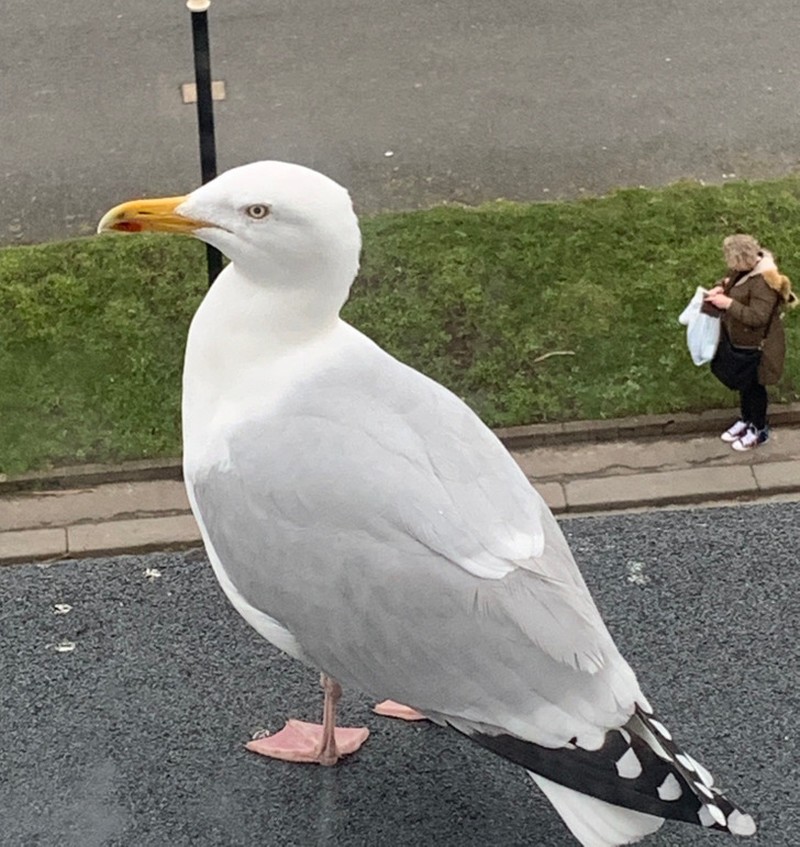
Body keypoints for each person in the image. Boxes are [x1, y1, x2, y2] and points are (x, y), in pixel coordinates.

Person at [704, 233, 796, 450]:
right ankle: (747, 420)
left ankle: (759, 429)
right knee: (746, 386)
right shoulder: (745, 269)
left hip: (758, 348)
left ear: (742, 258)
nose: (729, 264)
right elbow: (733, 281)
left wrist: (727, 303)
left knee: (755, 388)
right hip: (743, 343)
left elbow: (758, 317)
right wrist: (721, 287)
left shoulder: (764, 282)